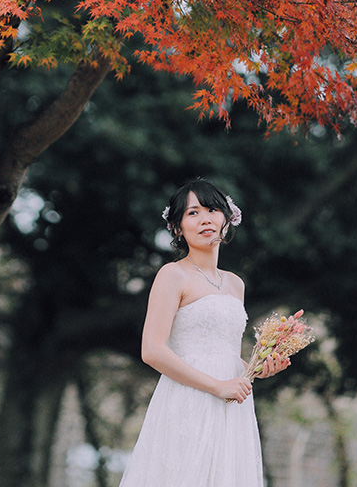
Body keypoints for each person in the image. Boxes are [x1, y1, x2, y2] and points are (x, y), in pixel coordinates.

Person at [118, 178, 289, 487]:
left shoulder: (235, 284)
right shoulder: (172, 275)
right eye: (192, 213)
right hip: (189, 397)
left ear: (226, 219)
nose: (205, 219)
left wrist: (256, 370)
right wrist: (215, 386)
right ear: (177, 227)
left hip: (231, 406)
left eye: (212, 210)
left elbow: (226, 353)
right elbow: (152, 350)